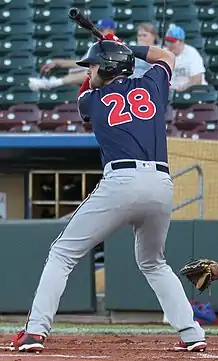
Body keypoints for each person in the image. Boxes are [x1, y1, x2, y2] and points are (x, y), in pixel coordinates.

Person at [11, 33, 207, 353]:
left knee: (62, 254)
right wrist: (131, 49)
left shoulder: (92, 99)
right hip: (160, 184)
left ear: (107, 67)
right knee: (154, 262)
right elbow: (165, 58)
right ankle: (191, 331)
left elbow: (86, 92)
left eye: (93, 66)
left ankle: (35, 331)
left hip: (121, 180)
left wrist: (118, 51)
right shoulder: (153, 85)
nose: (89, 72)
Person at [28, 18, 117, 91]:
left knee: (93, 73)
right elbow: (83, 63)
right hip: (99, 85)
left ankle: (52, 84)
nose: (98, 33)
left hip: (112, 84)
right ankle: (52, 83)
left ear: (111, 31)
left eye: (101, 30)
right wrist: (58, 63)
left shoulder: (115, 46)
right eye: (97, 30)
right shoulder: (98, 46)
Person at [164, 24, 207, 92]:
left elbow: (197, 79)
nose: (169, 44)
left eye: (172, 41)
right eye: (167, 40)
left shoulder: (191, 53)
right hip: (171, 93)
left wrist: (185, 87)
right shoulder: (164, 53)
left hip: (192, 92)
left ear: (181, 41)